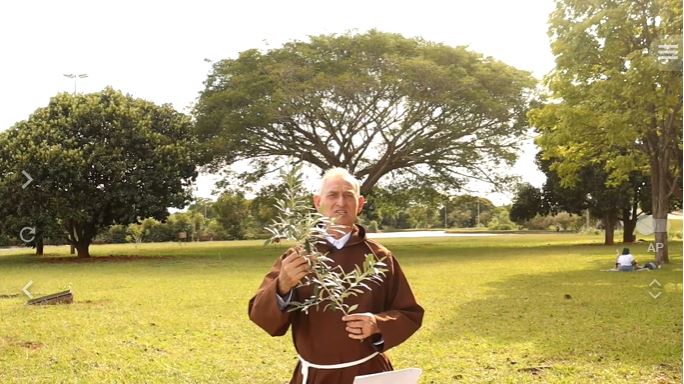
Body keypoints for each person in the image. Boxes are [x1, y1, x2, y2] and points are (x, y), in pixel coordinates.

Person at [248, 168, 424, 384]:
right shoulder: (297, 256)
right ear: (317, 202)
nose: (341, 202)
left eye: (348, 195)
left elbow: (410, 313)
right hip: (315, 376)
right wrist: (282, 285)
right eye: (332, 195)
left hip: (370, 373)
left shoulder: (380, 257)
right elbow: (260, 315)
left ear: (359, 204)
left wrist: (378, 324)